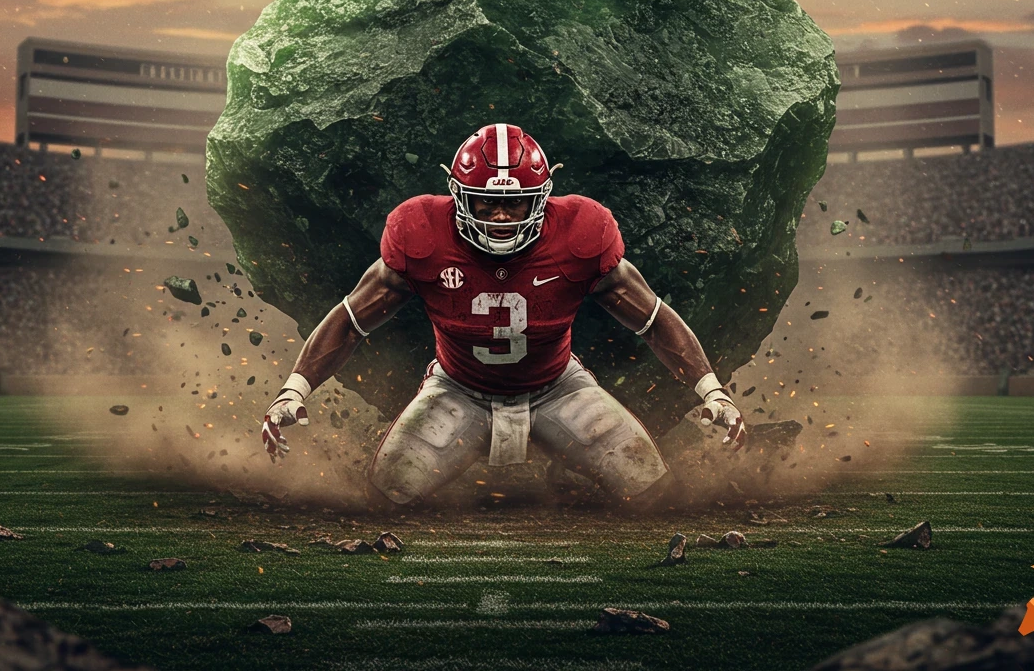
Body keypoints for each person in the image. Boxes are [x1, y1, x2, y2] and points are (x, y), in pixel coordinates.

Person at [262, 123, 745, 508]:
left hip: (558, 388)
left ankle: (567, 472)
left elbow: (653, 318)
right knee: (388, 495)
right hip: (457, 389)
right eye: (486, 202)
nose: (499, 216)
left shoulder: (581, 232)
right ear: (458, 196)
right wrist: (294, 389)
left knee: (651, 491)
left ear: (542, 198)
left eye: (515, 203)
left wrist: (712, 390)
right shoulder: (421, 232)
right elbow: (351, 319)